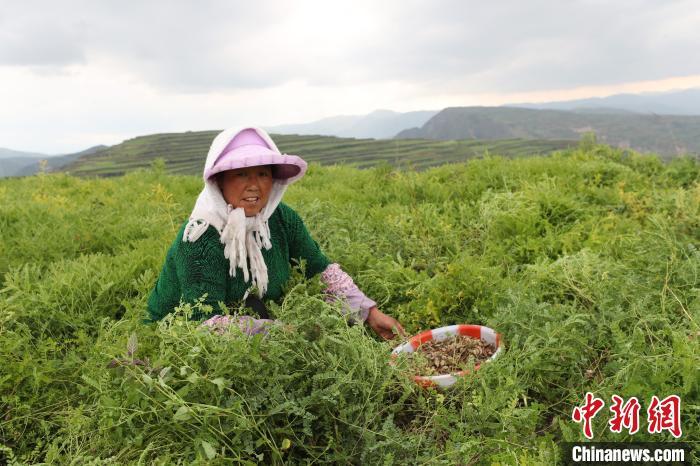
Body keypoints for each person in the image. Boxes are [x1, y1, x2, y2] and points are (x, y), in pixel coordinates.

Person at [146, 126, 405, 340]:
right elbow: (202, 323)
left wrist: (369, 312)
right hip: (178, 333)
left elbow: (320, 268)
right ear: (220, 181)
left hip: (248, 311)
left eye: (263, 174)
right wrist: (279, 332)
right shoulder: (200, 237)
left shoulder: (280, 218)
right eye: (241, 174)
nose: (254, 185)